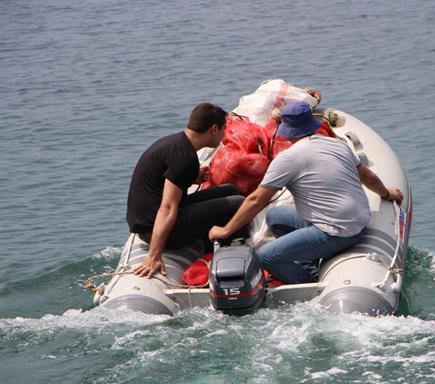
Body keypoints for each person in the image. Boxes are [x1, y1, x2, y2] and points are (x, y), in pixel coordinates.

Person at [208, 102, 403, 284]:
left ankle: (310, 280)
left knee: (264, 256)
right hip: (358, 221)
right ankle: (307, 260)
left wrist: (225, 231)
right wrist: (386, 194)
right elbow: (367, 176)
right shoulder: (337, 144)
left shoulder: (289, 158)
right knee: (275, 216)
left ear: (285, 130)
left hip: (336, 232)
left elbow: (256, 199)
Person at [126, 103, 244, 278]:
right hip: (152, 229)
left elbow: (164, 182)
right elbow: (167, 207)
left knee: (230, 190)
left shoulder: (177, 143)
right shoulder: (184, 158)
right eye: (223, 129)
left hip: (149, 218)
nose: (224, 135)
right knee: (238, 203)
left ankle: (212, 239)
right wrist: (154, 255)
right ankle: (225, 254)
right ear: (213, 129)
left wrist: (193, 177)